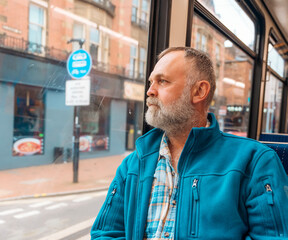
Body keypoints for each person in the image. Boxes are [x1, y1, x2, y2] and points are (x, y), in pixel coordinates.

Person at [90, 47, 288, 239]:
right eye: (151, 82)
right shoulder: (133, 164)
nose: (150, 91)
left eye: (162, 81)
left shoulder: (255, 162)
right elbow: (105, 233)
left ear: (199, 91)